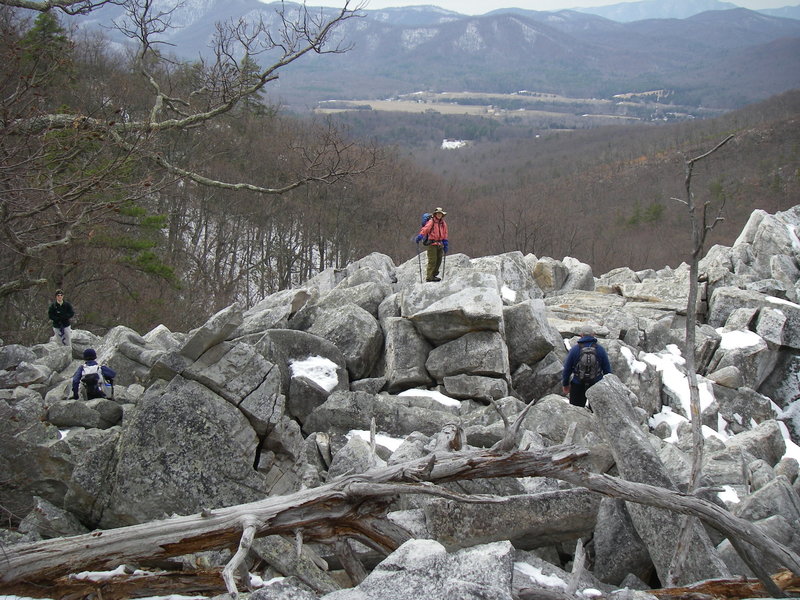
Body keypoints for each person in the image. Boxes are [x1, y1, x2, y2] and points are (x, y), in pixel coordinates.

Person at [561, 332, 612, 409]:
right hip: (596, 385)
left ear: (581, 335)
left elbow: (567, 369)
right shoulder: (600, 349)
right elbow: (607, 370)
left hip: (577, 384)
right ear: (593, 335)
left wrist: (565, 384)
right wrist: (609, 386)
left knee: (576, 411)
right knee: (596, 411)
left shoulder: (574, 349)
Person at [416, 207, 449, 282]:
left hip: (440, 244)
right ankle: (429, 277)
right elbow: (426, 229)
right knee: (432, 260)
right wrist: (420, 236)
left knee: (439, 260)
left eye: (440, 214)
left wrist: (445, 243)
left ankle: (434, 275)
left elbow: (445, 233)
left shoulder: (443, 223)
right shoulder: (432, 221)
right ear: (435, 214)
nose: (439, 215)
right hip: (432, 244)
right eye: (438, 213)